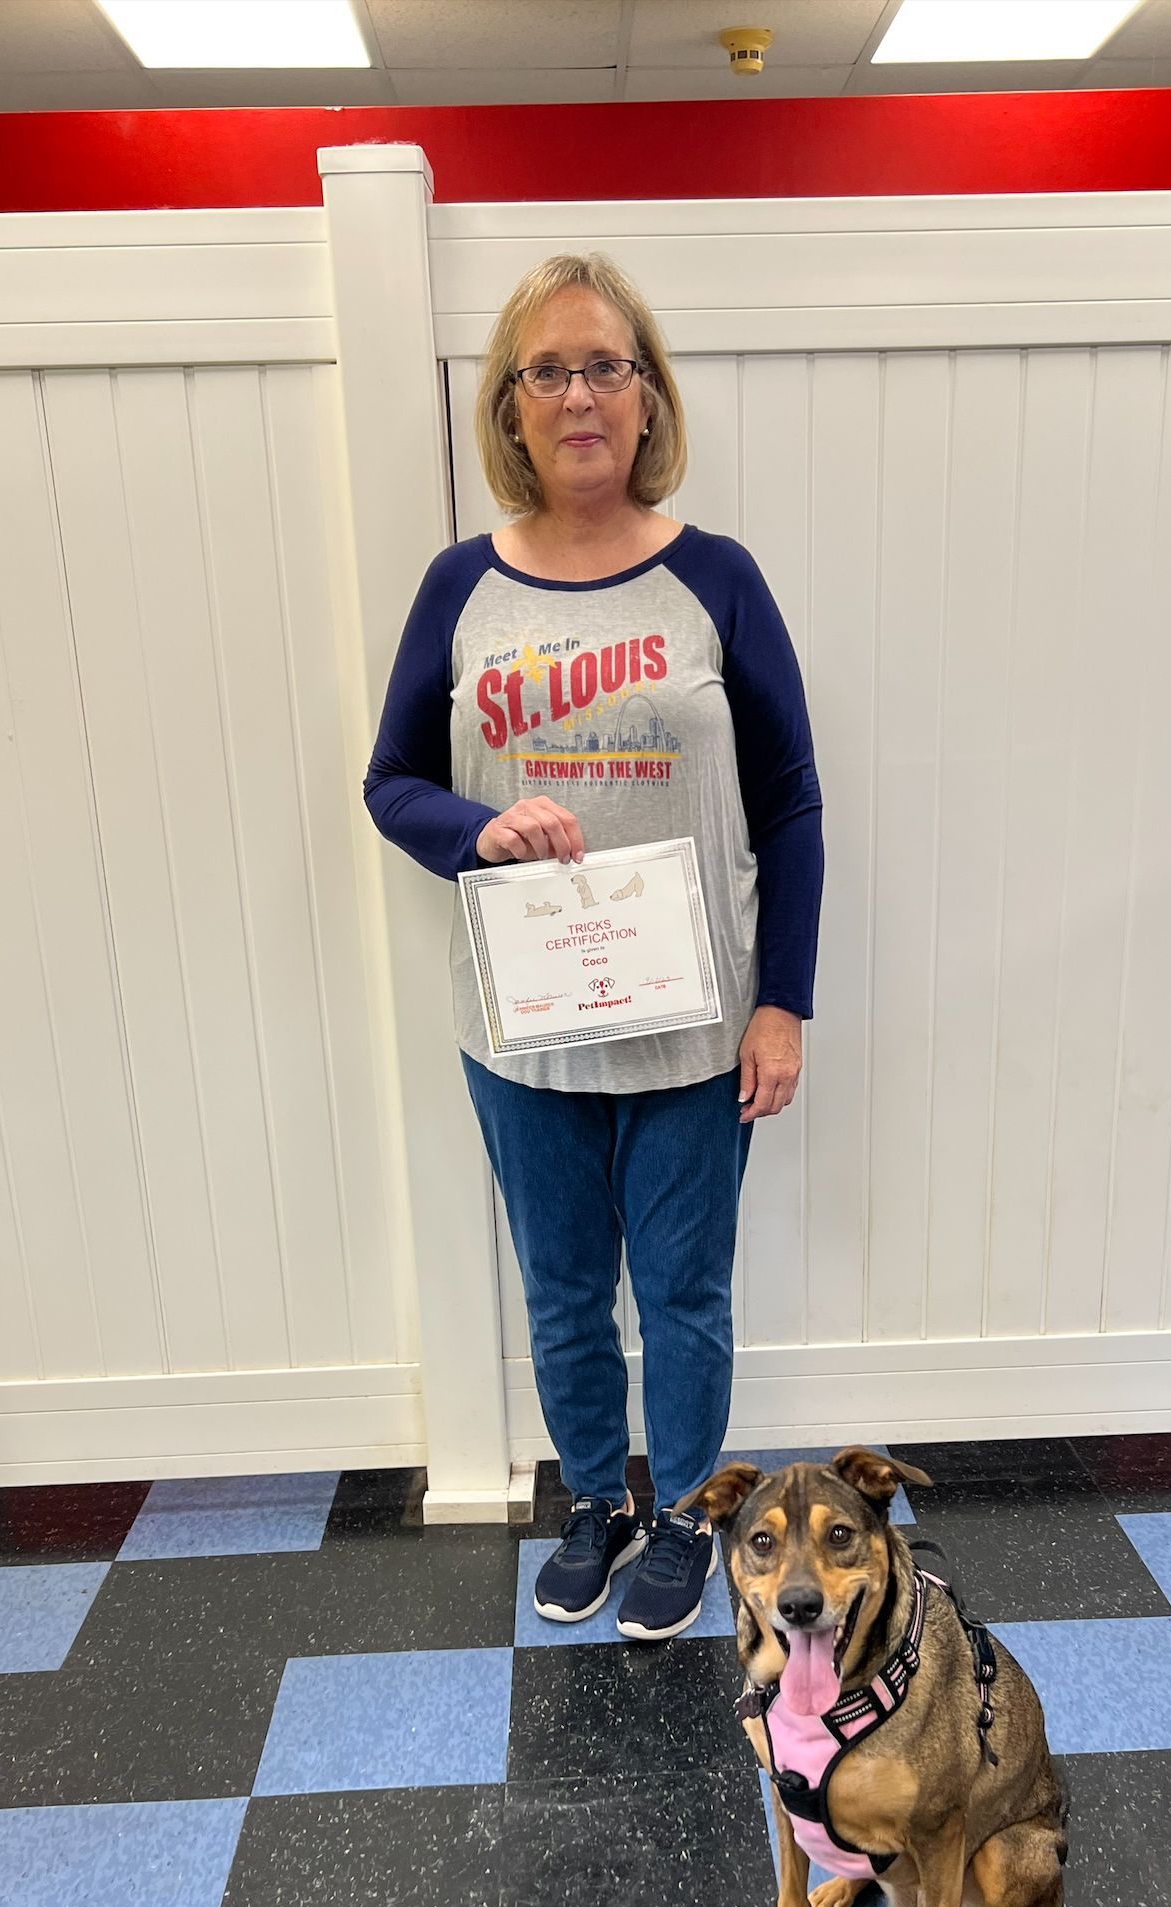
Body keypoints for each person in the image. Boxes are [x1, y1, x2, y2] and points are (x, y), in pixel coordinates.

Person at [364, 253, 823, 1642]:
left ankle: (685, 1508)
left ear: (647, 396)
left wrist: (783, 1005)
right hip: (523, 1025)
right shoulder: (460, 589)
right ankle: (593, 1501)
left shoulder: (718, 581)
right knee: (563, 1288)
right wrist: (475, 829)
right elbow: (392, 780)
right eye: (548, 369)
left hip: (694, 1031)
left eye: (606, 366)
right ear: (510, 406)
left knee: (683, 1290)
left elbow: (791, 798)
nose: (579, 394)